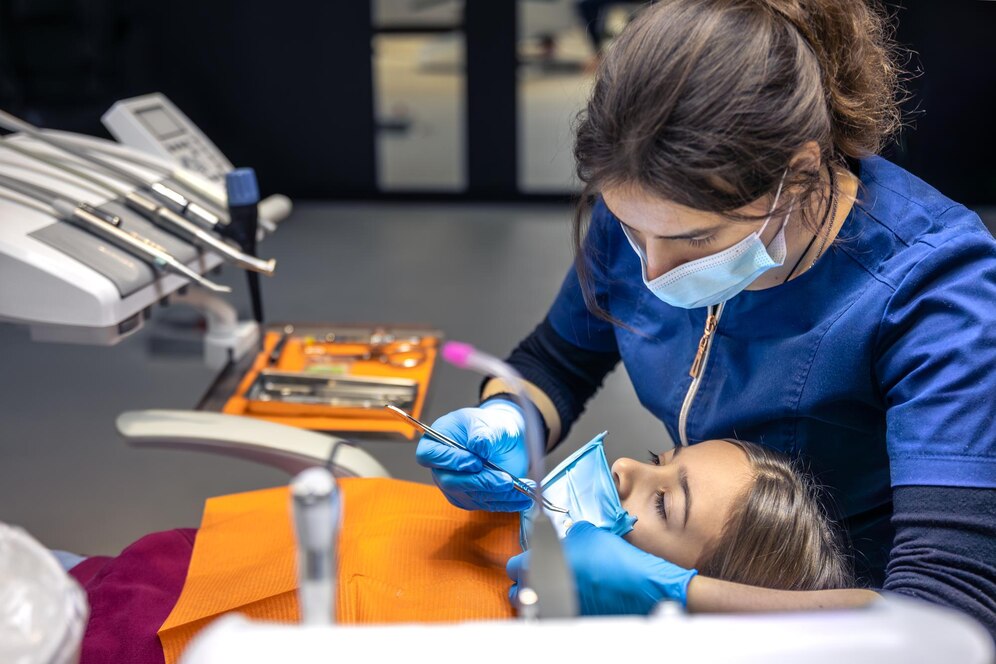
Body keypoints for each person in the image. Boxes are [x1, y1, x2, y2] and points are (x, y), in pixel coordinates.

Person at [416, 0, 996, 635]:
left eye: (695, 240)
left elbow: (948, 608)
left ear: (798, 175)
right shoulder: (652, 203)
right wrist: (509, 417)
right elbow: (557, 361)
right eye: (633, 231)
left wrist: (682, 595)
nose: (655, 273)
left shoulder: (935, 294)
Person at [66, 437, 852, 663]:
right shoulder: (523, 528)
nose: (623, 469)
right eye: (659, 455)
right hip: (172, 567)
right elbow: (558, 352)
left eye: (660, 500)